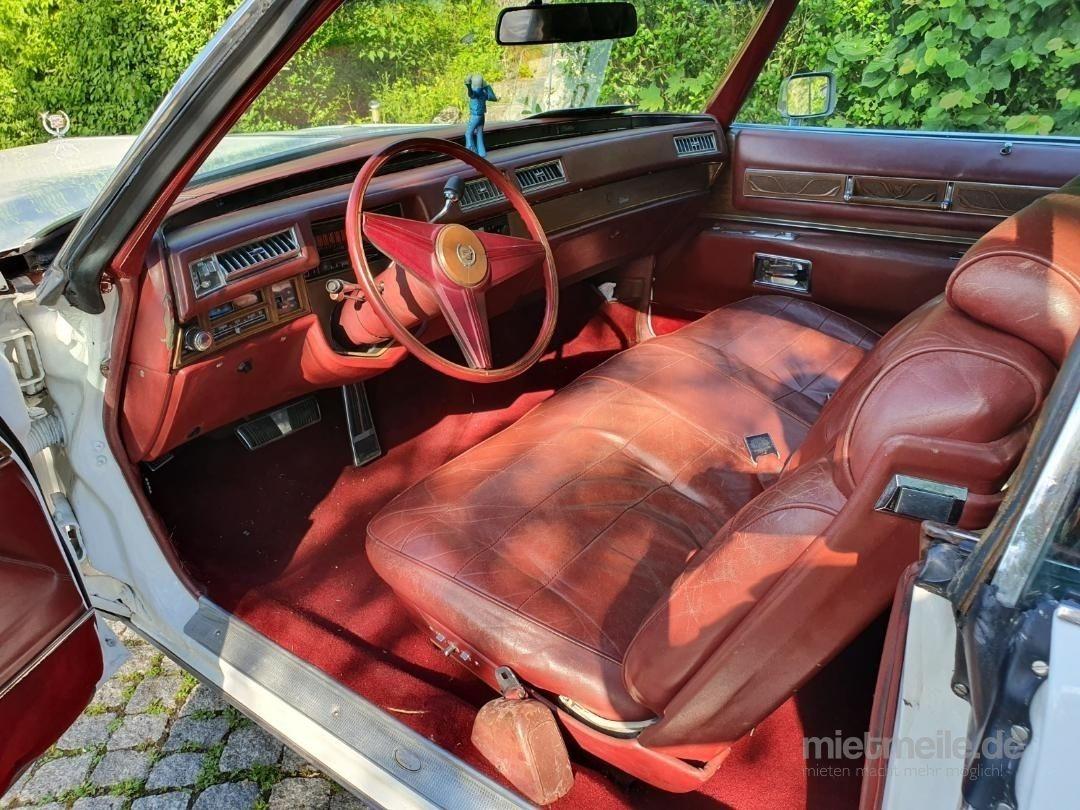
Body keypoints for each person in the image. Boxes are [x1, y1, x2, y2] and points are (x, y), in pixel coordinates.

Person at [464, 74, 497, 157]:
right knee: (479, 133)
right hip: (482, 116)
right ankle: (482, 153)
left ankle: (471, 154)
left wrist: (468, 85)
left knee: (468, 134)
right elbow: (493, 98)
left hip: (475, 116)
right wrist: (486, 86)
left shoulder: (476, 93)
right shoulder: (484, 92)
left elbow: (471, 93)